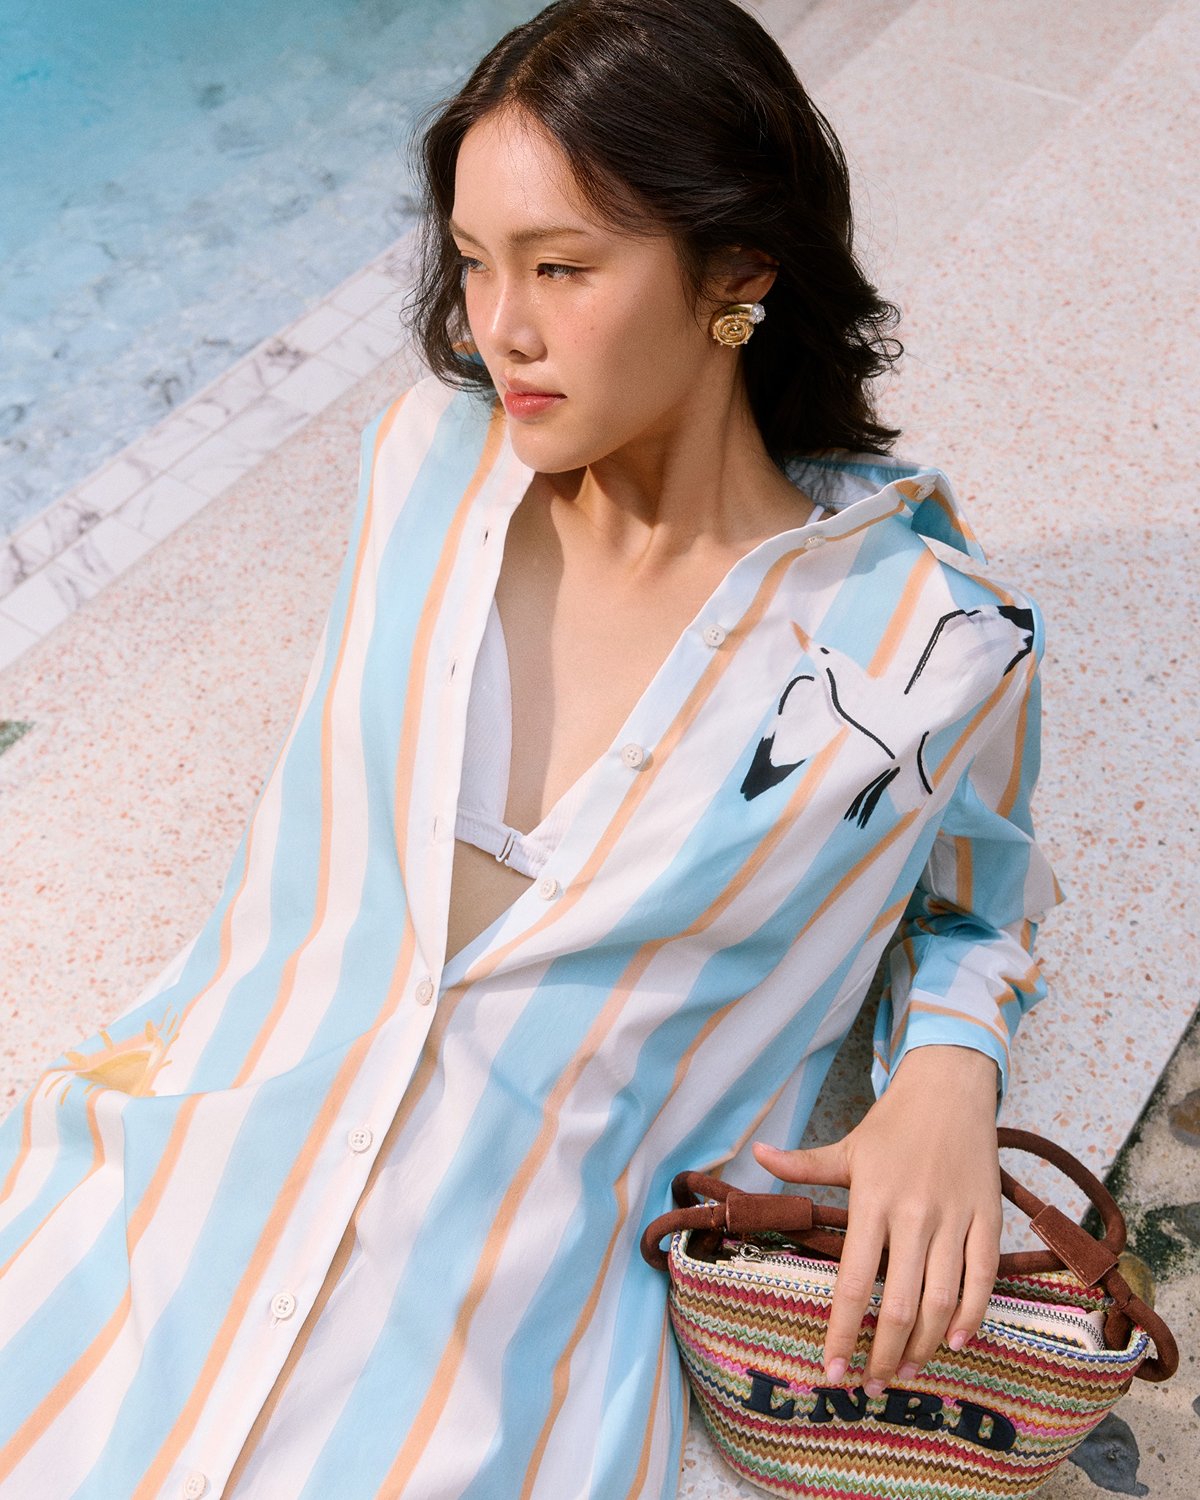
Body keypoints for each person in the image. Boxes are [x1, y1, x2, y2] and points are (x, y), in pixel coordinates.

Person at [0, 1, 1064, 1495]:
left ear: (738, 268)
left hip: (487, 1379)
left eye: (561, 268)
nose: (499, 328)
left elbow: (980, 895)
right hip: (133, 1231)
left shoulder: (928, 641)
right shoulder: (426, 464)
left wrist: (946, 1078)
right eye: (474, 260)